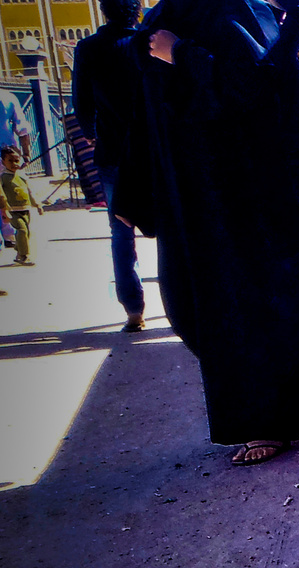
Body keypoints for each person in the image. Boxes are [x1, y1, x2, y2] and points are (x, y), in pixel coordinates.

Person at [117, 0, 299, 466]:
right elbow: (144, 111)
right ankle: (264, 411)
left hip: (247, 201)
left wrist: (184, 56)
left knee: (254, 309)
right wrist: (131, 196)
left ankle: (267, 422)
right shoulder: (163, 18)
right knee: (188, 308)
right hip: (188, 201)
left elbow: (258, 89)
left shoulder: (236, 12)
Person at [73, 0, 146, 331]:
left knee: (121, 231)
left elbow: (81, 104)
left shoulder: (88, 48)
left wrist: (92, 134)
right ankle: (187, 302)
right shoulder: (150, 40)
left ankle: (134, 310)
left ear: (103, 11)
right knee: (175, 224)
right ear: (138, 9)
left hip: (113, 153)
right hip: (155, 151)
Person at [1, 145, 40, 266]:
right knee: (22, 230)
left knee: (26, 232)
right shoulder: (3, 178)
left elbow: (29, 192)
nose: (14, 164)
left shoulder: (21, 176)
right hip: (13, 211)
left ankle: (19, 252)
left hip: (25, 210)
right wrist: (4, 210)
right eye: (10, 161)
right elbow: (1, 195)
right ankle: (24, 256)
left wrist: (37, 204)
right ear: (3, 162)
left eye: (16, 160)